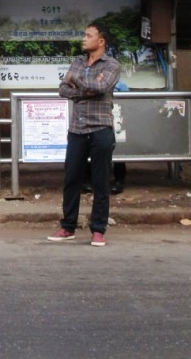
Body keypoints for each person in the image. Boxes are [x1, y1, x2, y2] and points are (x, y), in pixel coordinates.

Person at [47, 21, 120, 247]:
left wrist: (76, 81)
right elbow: (62, 89)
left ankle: (98, 229)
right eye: (84, 35)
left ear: (101, 41)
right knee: (72, 179)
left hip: (101, 129)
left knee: (100, 181)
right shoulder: (78, 61)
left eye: (88, 35)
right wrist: (85, 88)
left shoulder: (111, 65)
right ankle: (68, 226)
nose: (83, 39)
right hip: (77, 129)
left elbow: (100, 88)